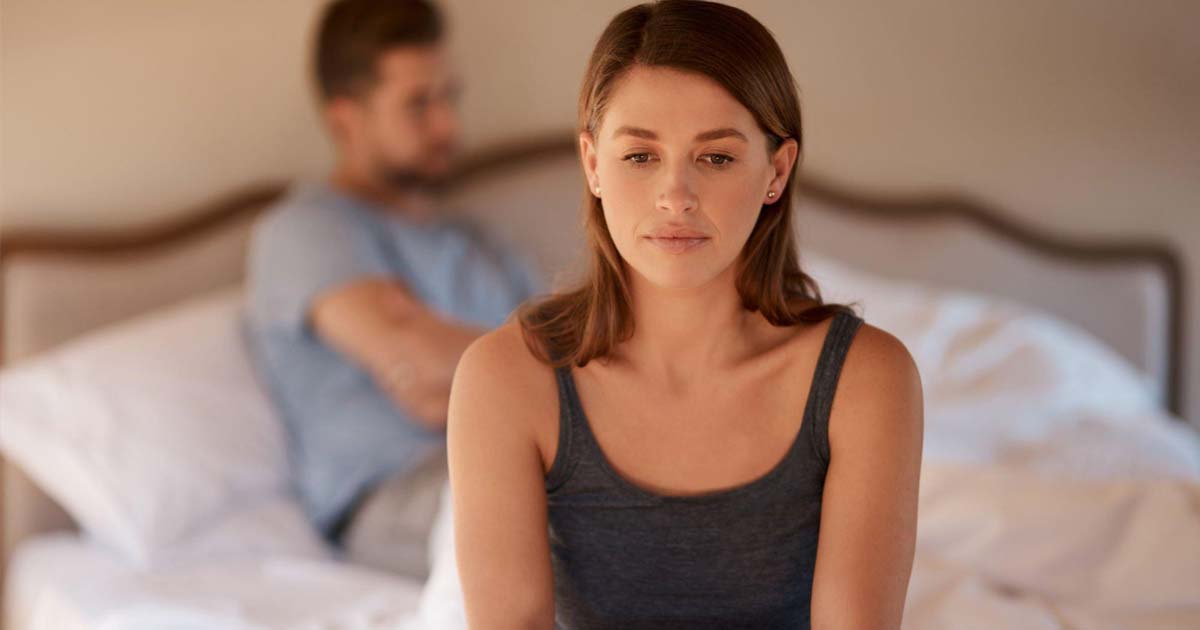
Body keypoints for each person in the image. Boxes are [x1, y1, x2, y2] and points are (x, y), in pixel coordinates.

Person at [447, 1, 924, 627]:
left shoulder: (865, 380)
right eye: (640, 156)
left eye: (717, 157)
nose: (676, 197)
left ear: (776, 170)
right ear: (593, 163)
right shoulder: (506, 379)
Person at [241, 0, 542, 577]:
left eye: (449, 97)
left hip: (523, 459)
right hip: (398, 493)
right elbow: (422, 359)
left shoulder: (480, 241)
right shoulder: (306, 229)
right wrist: (509, 374)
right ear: (345, 119)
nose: (448, 125)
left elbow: (573, 361)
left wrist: (465, 380)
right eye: (418, 106)